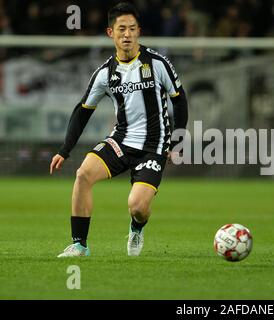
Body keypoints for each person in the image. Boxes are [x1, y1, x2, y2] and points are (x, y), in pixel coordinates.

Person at [50, 2, 188, 257]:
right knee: (82, 175)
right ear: (110, 33)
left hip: (153, 146)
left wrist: (176, 142)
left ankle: (136, 228)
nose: (127, 34)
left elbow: (179, 100)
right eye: (122, 29)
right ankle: (80, 245)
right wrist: (64, 150)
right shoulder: (105, 73)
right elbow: (83, 110)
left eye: (132, 29)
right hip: (121, 141)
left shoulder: (157, 63)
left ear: (139, 32)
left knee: (137, 207)